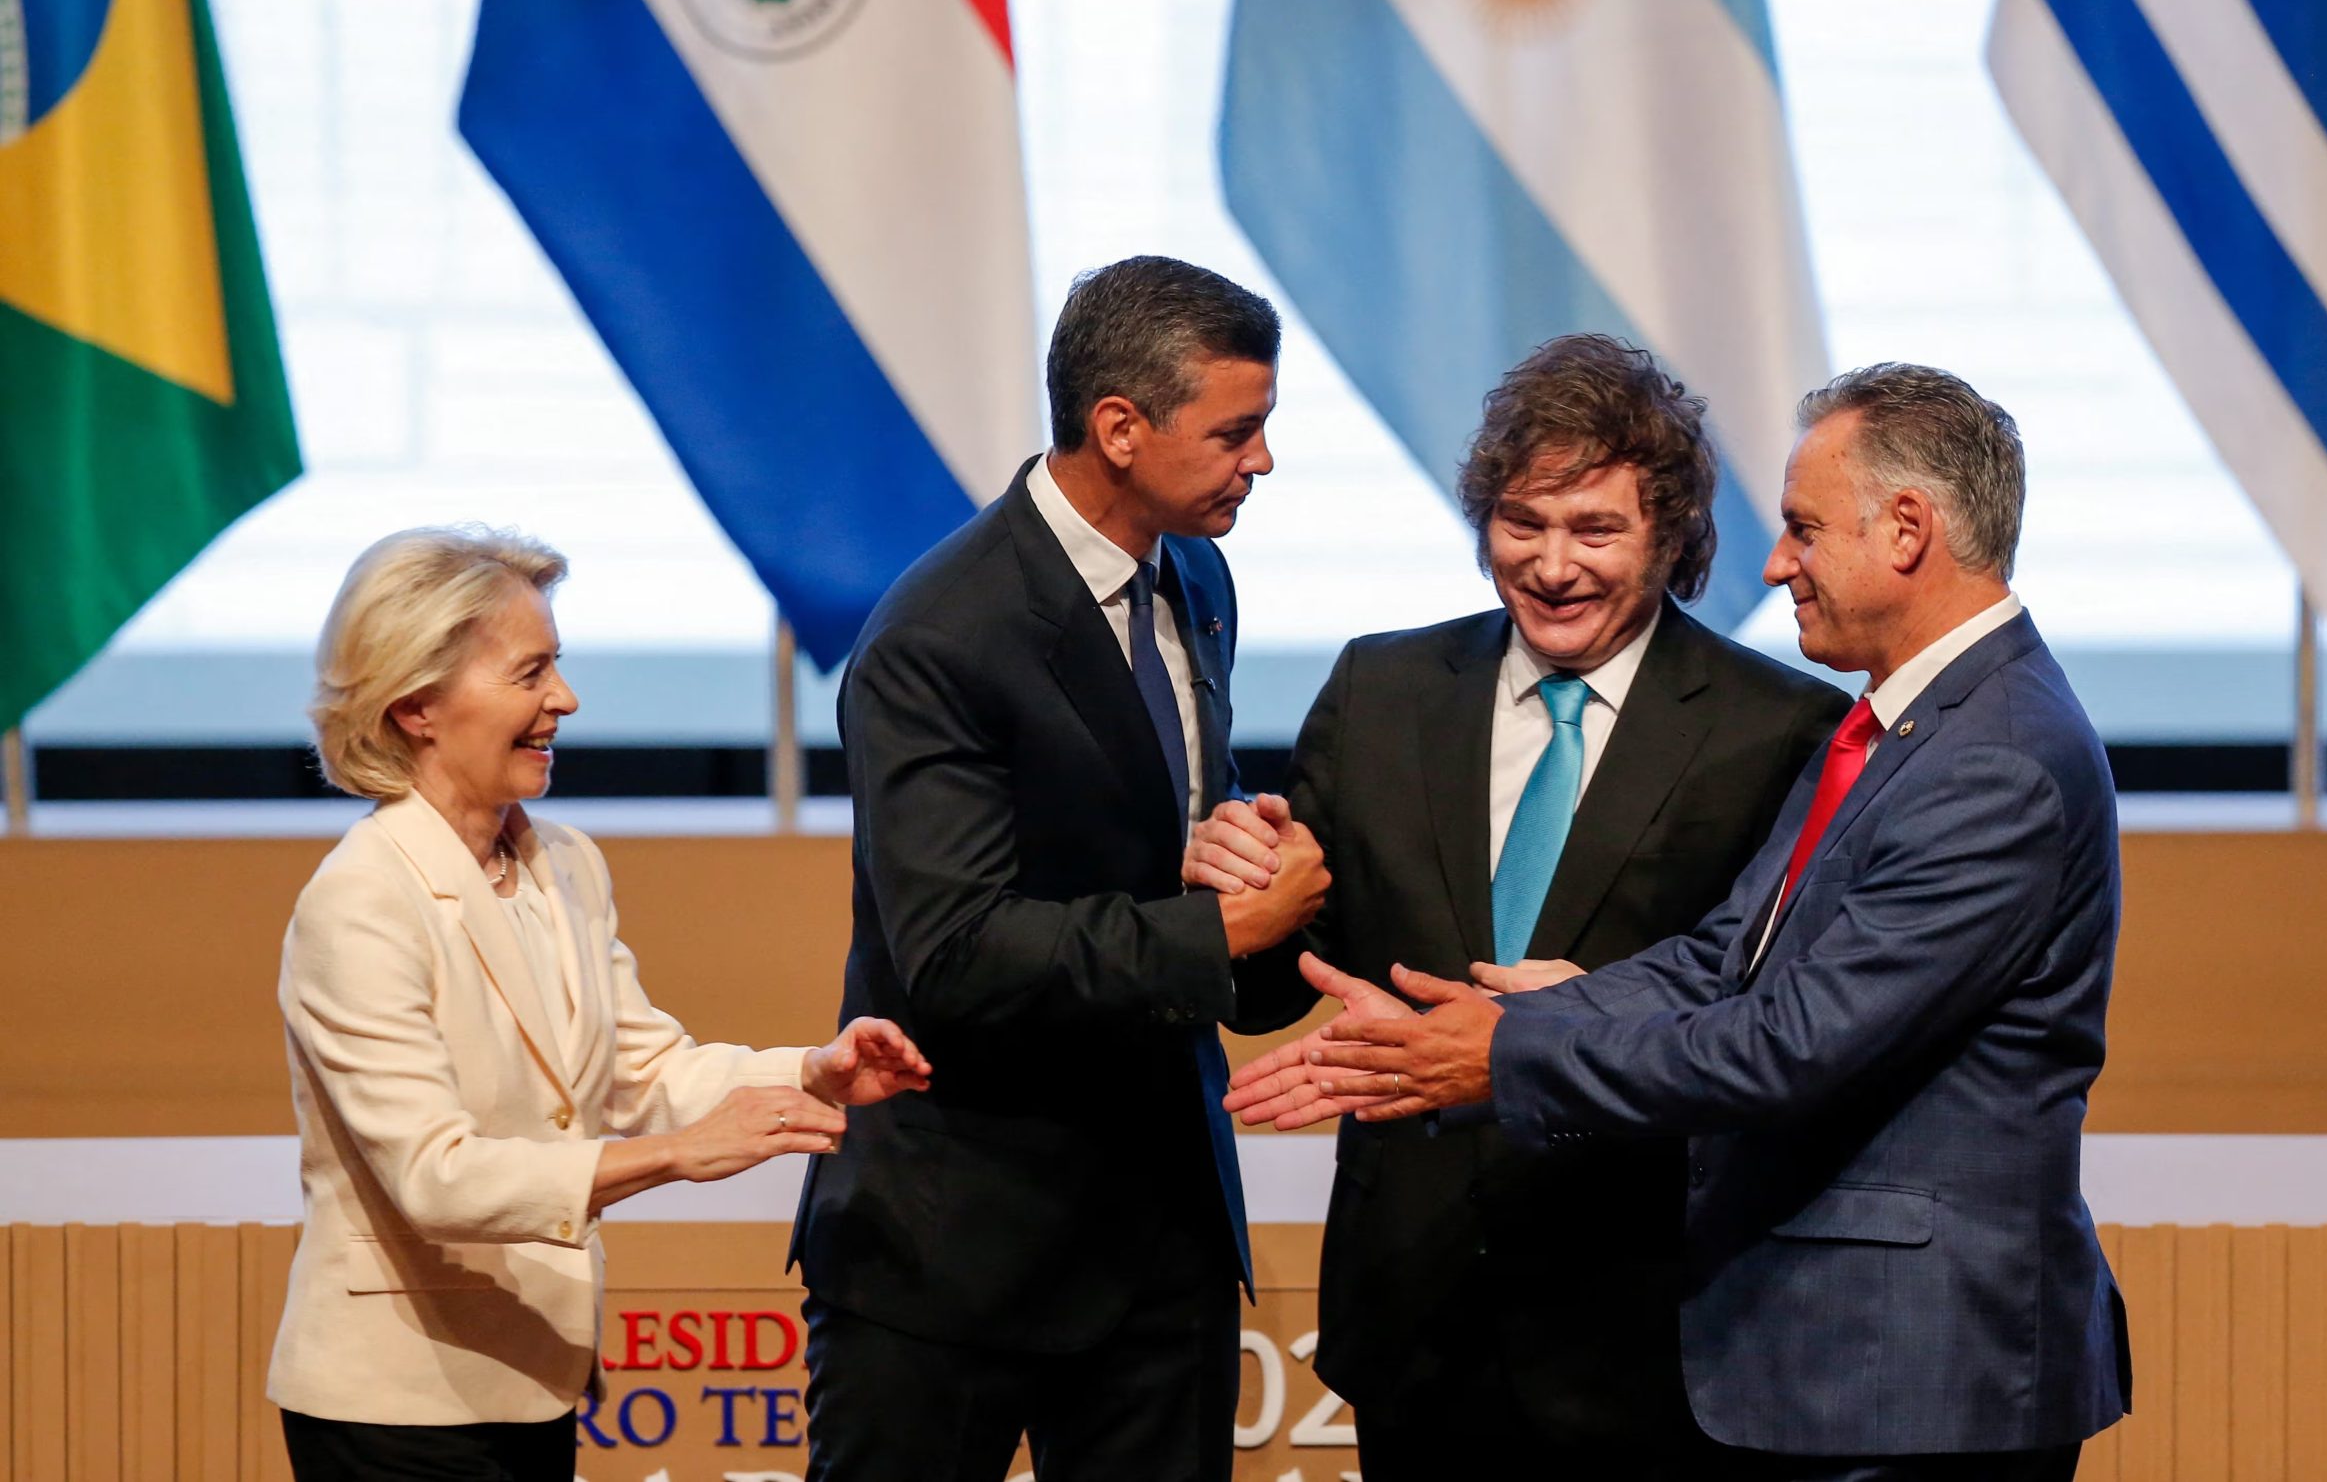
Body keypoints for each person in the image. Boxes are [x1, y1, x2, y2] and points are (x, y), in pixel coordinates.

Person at [1236, 364, 2132, 1479]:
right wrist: (1529, 1010)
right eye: (1524, 520)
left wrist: (1506, 1051)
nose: (1776, 562)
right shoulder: (1906, 732)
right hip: (1773, 1362)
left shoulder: (1991, 760)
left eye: (1803, 529)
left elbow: (1789, 1043)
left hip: (1902, 1372)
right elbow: (1726, 956)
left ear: (1906, 529)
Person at [1185, 334, 1846, 1480]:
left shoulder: (1774, 727)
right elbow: (1267, 986)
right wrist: (1242, 894)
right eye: (1521, 524)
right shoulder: (1380, 691)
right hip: (1415, 1315)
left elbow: (1772, 1026)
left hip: (1653, 1324)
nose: (1551, 566)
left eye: (1595, 530)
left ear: (1673, 537)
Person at [790, 255, 1330, 1482]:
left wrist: (1241, 853)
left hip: (1157, 1247)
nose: (1261, 462)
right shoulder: (938, 639)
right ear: (1120, 429)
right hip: (953, 1255)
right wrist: (1221, 937)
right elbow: (958, 951)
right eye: (1236, 432)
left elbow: (1160, 823)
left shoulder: (1195, 574)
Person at [269, 526, 931, 1482]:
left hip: (534, 1374)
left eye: (559, 667)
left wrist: (809, 1072)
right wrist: (672, 1157)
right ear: (416, 703)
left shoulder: (564, 860)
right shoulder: (362, 898)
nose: (564, 701)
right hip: (397, 1410)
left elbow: (643, 1066)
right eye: (530, 672)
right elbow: (434, 1177)